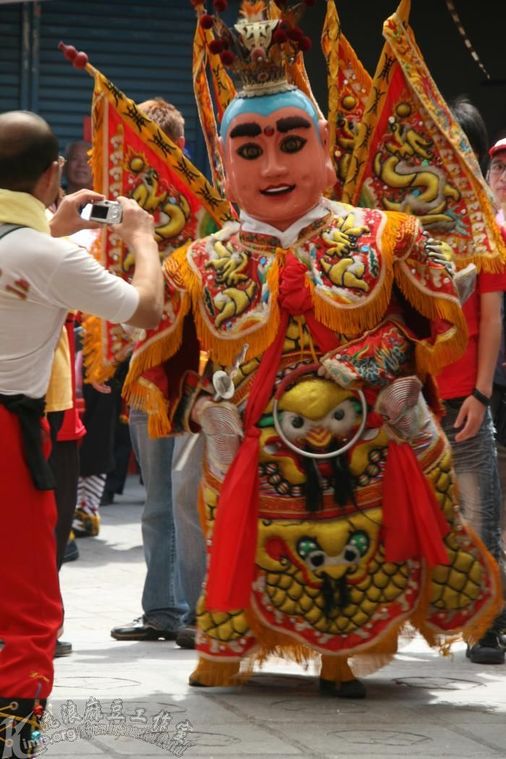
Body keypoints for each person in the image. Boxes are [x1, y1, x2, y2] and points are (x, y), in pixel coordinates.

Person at [133, 13, 501, 698]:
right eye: (250, 149)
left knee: (358, 547)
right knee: (243, 542)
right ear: (224, 163)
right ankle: (233, 642)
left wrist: (367, 366)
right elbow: (164, 368)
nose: (273, 166)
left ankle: (343, 654)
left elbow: (421, 329)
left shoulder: (386, 237)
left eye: (292, 142)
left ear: (325, 144)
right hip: (255, 441)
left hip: (360, 435)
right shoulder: (198, 264)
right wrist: (206, 410)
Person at [0, 109, 162, 751]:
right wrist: (143, 238)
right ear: (51, 176)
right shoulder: (46, 254)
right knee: (29, 601)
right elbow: (143, 308)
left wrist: (54, 227)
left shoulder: (43, 247)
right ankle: (14, 740)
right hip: (8, 434)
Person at [110, 98, 206, 648]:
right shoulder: (128, 212)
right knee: (162, 499)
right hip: (154, 371)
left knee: (180, 497)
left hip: (185, 374)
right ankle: (166, 608)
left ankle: (191, 609)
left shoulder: (202, 205)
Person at [436, 99, 506, 665]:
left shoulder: (484, 226)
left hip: (465, 397)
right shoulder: (404, 221)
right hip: (409, 398)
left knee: (480, 515)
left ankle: (487, 625)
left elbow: (491, 318)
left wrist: (481, 394)